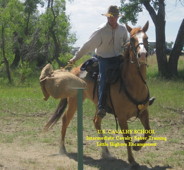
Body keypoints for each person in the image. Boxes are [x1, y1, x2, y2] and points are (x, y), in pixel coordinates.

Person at [69, 5, 129, 118]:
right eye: (109, 16)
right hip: (103, 59)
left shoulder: (122, 29)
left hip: (117, 58)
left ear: (117, 17)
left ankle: (139, 100)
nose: (111, 18)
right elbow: (87, 45)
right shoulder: (101, 31)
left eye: (113, 16)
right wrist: (75, 58)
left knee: (132, 72)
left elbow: (127, 42)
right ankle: (101, 105)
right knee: (103, 78)